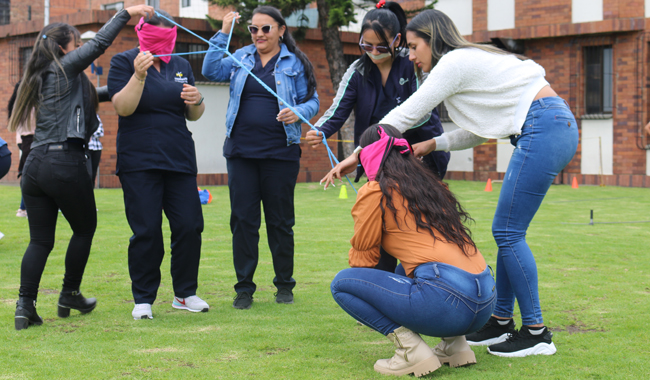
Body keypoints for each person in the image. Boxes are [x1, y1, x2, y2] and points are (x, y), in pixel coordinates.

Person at [324, 9, 579, 357]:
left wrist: (360, 152)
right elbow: (480, 129)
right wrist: (434, 143)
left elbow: (407, 112)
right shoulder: (468, 62)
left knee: (507, 232)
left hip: (545, 126)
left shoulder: (454, 62)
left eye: (413, 46)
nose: (410, 56)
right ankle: (501, 321)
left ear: (432, 39)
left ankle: (537, 333)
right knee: (507, 232)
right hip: (550, 124)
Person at [8, 4, 155, 331]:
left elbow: (98, 94)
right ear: (63, 49)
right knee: (84, 228)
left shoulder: (49, 77)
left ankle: (24, 306)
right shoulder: (61, 68)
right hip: (64, 161)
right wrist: (125, 12)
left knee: (40, 240)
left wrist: (135, 81)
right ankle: (69, 293)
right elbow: (100, 44)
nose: (79, 50)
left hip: (35, 167)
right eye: (76, 45)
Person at [331, 124, 495, 377]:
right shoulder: (433, 188)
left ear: (368, 157)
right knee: (403, 269)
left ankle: (411, 351)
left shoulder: (376, 190)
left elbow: (364, 256)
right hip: (485, 301)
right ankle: (455, 344)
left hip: (446, 304)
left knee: (342, 283)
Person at [305, 0, 449, 274]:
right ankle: (382, 291)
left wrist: (370, 141)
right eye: (365, 45)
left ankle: (423, 284)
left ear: (397, 39)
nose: (372, 52)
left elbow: (420, 114)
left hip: (419, 155)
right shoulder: (357, 71)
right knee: (379, 223)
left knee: (416, 223)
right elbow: (338, 109)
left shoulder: (414, 64)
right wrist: (319, 129)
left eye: (381, 47)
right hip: (377, 161)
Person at [202, 6, 319, 309]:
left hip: (280, 154)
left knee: (280, 222)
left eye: (265, 29)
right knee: (243, 221)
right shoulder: (241, 57)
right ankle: (244, 288)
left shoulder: (295, 61)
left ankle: (284, 285)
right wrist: (224, 31)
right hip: (241, 153)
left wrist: (299, 112)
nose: (259, 35)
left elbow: (313, 101)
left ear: (281, 30)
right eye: (253, 29)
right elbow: (210, 69)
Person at [108, 10, 208, 320]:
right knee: (147, 229)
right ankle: (143, 298)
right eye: (155, 37)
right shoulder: (124, 62)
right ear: (141, 34)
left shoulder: (179, 65)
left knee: (189, 225)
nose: (162, 44)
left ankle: (185, 294)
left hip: (178, 157)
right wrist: (138, 76)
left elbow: (193, 115)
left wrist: (198, 99)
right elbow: (122, 108)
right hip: (139, 160)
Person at [8, 81, 34, 218]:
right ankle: (23, 208)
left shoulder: (18, 105)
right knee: (29, 174)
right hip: (29, 140)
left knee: (27, 173)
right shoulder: (27, 105)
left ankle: (24, 208)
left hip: (24, 141)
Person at [88, 115, 103, 187]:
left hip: (97, 148)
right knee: (88, 173)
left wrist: (89, 132)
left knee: (93, 173)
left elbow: (100, 132)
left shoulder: (96, 116)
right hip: (85, 148)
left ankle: (91, 193)